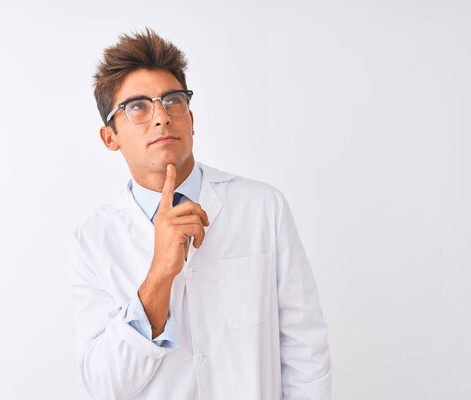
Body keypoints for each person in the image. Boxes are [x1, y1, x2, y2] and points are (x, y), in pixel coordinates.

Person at [70, 27, 332, 400]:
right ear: (109, 137)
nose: (161, 116)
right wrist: (160, 272)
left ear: (191, 119)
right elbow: (105, 385)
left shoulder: (263, 208)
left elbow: (306, 349)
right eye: (138, 107)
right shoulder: (94, 240)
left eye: (172, 100)